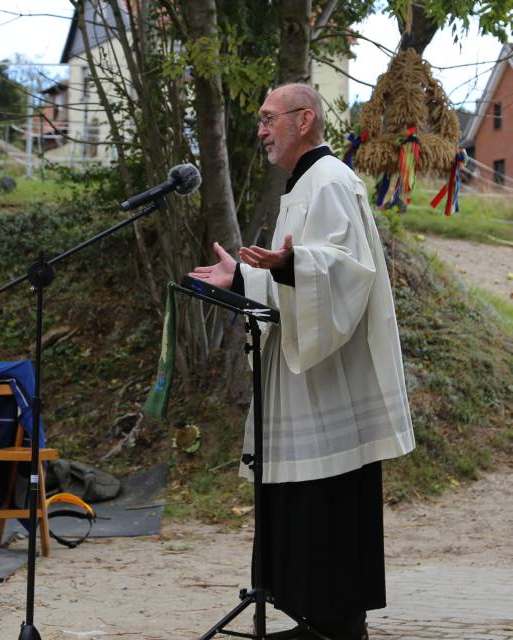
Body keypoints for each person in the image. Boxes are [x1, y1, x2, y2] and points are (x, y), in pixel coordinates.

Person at [190, 83, 415, 640]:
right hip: (303, 378)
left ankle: (338, 626)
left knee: (328, 499)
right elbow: (294, 276)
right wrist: (242, 277)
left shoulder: (333, 181)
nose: (261, 130)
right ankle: (317, 619)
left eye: (269, 119)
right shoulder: (303, 187)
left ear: (305, 118)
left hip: (330, 382)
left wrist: (294, 266)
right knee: (300, 498)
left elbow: (347, 273)